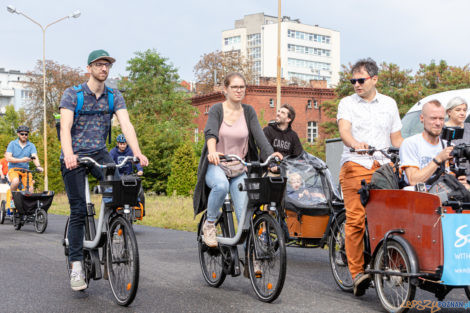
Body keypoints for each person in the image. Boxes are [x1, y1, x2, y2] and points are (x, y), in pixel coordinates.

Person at [60, 49, 148, 292]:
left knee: (120, 196)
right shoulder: (72, 94)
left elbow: (126, 125)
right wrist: (68, 154)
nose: (103, 69)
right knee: (78, 209)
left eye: (107, 65)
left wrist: (138, 152)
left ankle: (112, 240)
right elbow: (65, 128)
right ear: (89, 68)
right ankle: (76, 264)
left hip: (99, 152)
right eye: (98, 64)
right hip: (74, 154)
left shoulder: (114, 95)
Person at [193, 72, 282, 250]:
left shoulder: (248, 111)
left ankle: (253, 259)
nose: (238, 90)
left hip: (240, 167)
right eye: (234, 87)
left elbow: (260, 138)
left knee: (245, 217)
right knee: (221, 186)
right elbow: (210, 132)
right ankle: (210, 224)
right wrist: (212, 152)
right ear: (225, 89)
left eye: (242, 87)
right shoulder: (217, 109)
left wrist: (271, 157)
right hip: (217, 164)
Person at [337, 58, 403, 296]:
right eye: (353, 80)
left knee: (394, 217)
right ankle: (357, 274)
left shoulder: (389, 103)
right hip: (357, 163)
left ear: (374, 79)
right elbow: (344, 131)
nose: (356, 84)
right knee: (356, 219)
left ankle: (392, 263)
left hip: (384, 166)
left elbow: (396, 138)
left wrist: (408, 155)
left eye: (361, 80)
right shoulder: (347, 103)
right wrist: (356, 144)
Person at [400, 100, 469, 189]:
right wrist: (438, 159)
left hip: (446, 196)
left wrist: (460, 183)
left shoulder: (448, 145)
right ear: (422, 118)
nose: (438, 123)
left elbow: (451, 176)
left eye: (441, 119)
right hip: (420, 197)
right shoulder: (411, 143)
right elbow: (413, 180)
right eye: (433, 118)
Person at [5, 126, 43, 192]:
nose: (24, 136)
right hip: (13, 169)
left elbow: (34, 157)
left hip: (25, 170)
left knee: (30, 189)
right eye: (22, 134)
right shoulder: (12, 144)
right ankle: (12, 198)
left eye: (26, 134)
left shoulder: (31, 145)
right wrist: (22, 160)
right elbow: (8, 158)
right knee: (15, 181)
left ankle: (27, 202)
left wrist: (38, 166)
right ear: (18, 134)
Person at [444, 96, 470, 182]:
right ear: (449, 112)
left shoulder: (469, 128)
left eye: (464, 110)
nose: (462, 113)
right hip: (449, 178)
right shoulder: (442, 130)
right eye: (458, 110)